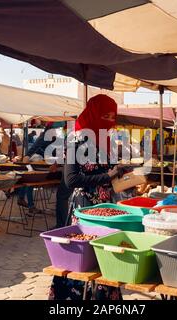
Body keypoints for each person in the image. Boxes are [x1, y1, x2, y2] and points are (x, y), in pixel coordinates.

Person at [48, 94, 122, 301]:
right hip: (85, 210)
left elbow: (107, 173)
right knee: (83, 262)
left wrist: (120, 174)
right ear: (94, 113)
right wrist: (106, 176)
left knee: (104, 261)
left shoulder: (106, 140)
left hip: (107, 209)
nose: (109, 121)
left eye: (112, 116)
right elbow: (71, 179)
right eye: (105, 115)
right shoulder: (76, 140)